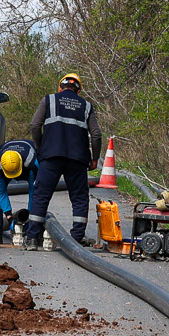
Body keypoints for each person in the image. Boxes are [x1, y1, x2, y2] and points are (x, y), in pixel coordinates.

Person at [25, 72, 102, 248]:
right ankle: (76, 239)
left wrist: (39, 147)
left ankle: (31, 238)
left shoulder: (49, 100)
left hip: (51, 156)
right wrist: (95, 158)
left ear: (60, 87)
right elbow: (96, 134)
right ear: (78, 91)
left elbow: (35, 125)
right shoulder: (87, 106)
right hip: (77, 159)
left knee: (41, 196)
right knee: (79, 198)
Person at [0, 139, 38, 248]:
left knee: (39, 193)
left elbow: (33, 194)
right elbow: (1, 192)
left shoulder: (32, 163)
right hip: (4, 170)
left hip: (26, 167)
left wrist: (30, 218)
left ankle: (35, 231)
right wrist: (9, 216)